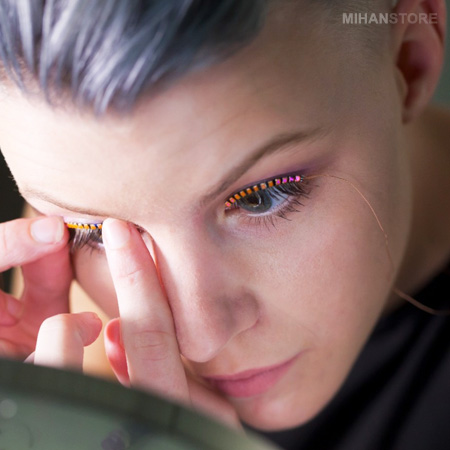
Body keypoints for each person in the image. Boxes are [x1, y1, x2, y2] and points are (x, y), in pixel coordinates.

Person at [0, 0, 449, 448]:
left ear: (409, 60)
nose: (198, 341)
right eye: (93, 232)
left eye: (260, 197)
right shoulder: (63, 274)